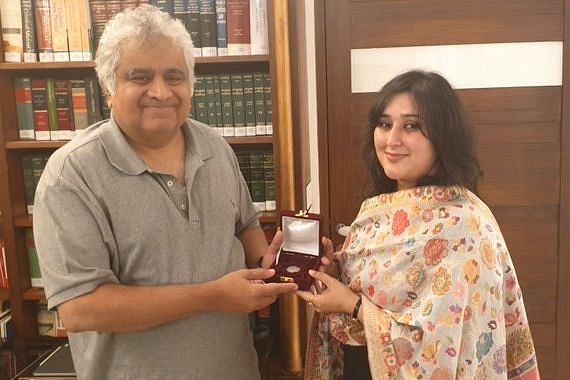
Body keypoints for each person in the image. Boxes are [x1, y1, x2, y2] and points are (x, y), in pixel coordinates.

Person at [33, 5, 298, 380]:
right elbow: (82, 309)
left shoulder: (214, 146)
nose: (160, 92)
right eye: (140, 77)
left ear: (190, 84)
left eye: (174, 76)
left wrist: (265, 264)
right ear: (108, 87)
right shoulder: (71, 177)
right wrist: (212, 296)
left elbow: (245, 225)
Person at [296, 69, 540, 379]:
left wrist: (352, 305)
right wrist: (335, 274)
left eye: (411, 126)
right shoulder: (377, 212)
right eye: (385, 124)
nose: (392, 139)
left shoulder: (465, 225)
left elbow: (442, 347)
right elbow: (368, 291)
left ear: (443, 136)